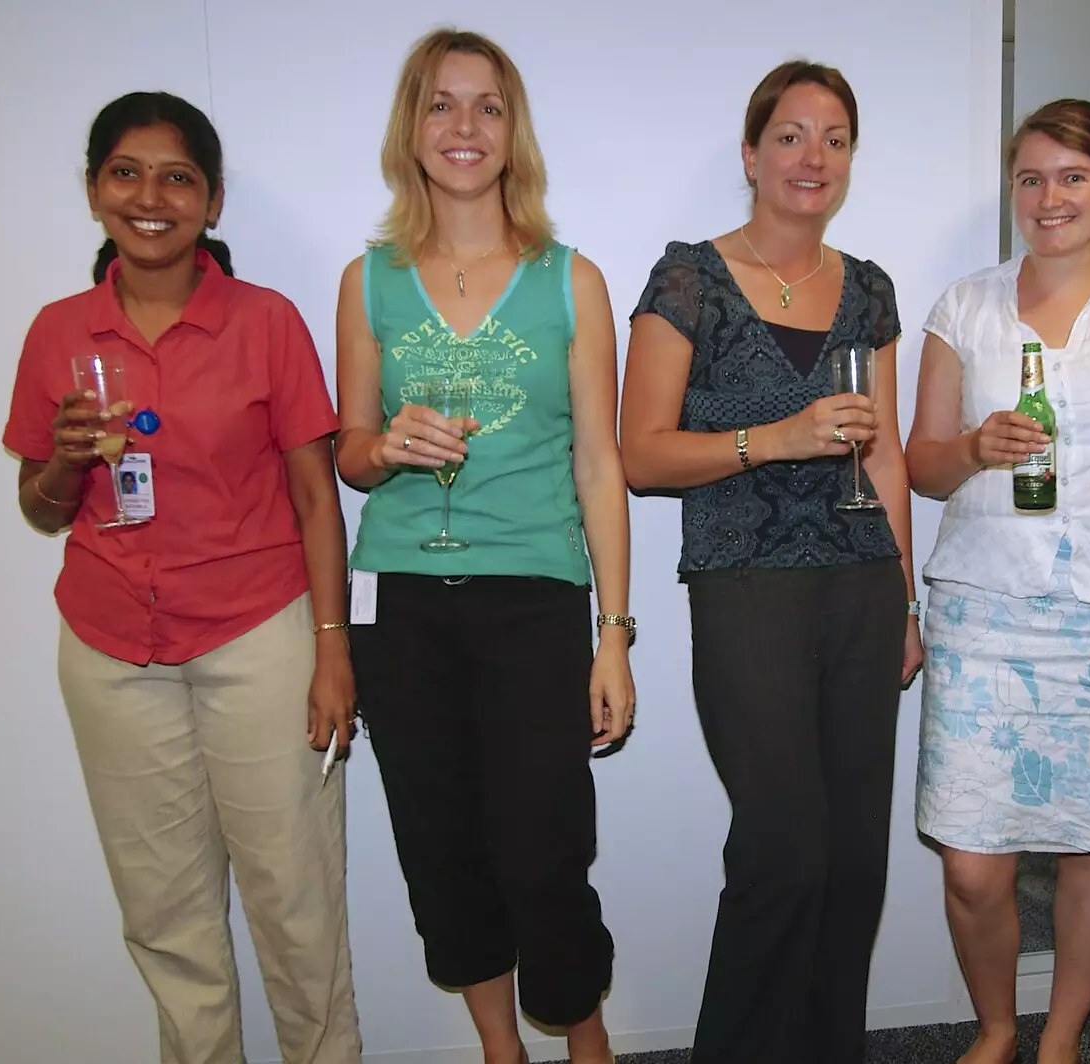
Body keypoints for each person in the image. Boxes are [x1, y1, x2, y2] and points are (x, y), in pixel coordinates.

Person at [2, 91, 360, 1064]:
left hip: (258, 637)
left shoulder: (265, 321)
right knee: (166, 917)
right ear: (92, 191)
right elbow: (40, 504)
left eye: (177, 175)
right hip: (111, 649)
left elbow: (319, 500)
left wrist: (334, 651)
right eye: (126, 171)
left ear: (211, 200)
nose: (149, 194)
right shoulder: (56, 331)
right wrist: (65, 461)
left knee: (297, 903)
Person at [334, 28, 632, 1064]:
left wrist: (614, 634)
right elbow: (350, 455)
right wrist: (382, 443)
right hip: (400, 598)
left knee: (546, 847)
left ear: (514, 134)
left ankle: (584, 1041)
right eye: (442, 105)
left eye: (487, 107)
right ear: (411, 130)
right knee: (441, 846)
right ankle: (502, 1050)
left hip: (534, 593)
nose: (465, 128)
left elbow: (600, 464)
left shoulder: (570, 279)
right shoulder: (368, 277)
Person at [619, 59, 923, 1064]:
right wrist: (774, 437)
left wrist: (907, 600)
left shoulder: (868, 288)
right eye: (791, 135)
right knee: (783, 850)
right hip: (744, 582)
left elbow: (884, 450)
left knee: (853, 863)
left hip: (861, 585)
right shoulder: (688, 278)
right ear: (751, 155)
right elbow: (639, 452)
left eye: (834, 138)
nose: (813, 156)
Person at [905, 98, 1090, 1064]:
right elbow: (921, 466)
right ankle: (998, 1026)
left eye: (1073, 176)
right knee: (972, 864)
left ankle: (1062, 1034)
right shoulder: (965, 306)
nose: (1050, 197)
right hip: (988, 611)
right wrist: (972, 446)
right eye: (1030, 178)